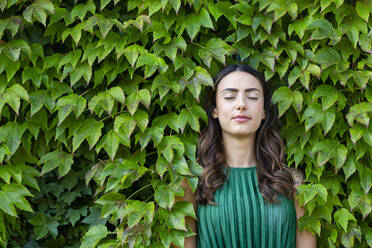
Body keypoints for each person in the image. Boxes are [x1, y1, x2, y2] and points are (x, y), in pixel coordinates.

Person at [178, 64, 317, 248]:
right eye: (229, 97)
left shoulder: (292, 182)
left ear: (264, 111)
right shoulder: (193, 182)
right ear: (215, 110)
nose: (241, 104)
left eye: (252, 97)